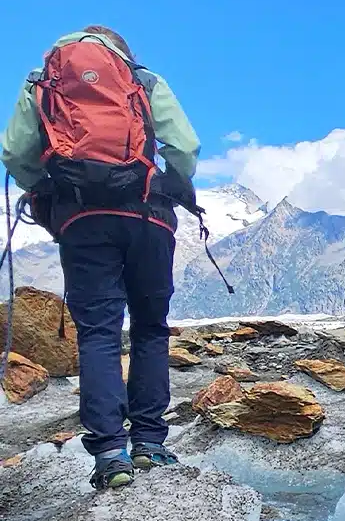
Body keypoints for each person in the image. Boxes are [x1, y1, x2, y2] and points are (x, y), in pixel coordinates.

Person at [2, 26, 201, 489]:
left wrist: (47, 188)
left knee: (98, 334)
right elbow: (184, 147)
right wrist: (172, 181)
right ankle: (149, 443)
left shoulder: (42, 81)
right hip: (148, 217)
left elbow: (13, 153)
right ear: (121, 53)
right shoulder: (143, 79)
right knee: (150, 329)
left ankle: (111, 454)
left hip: (83, 221)